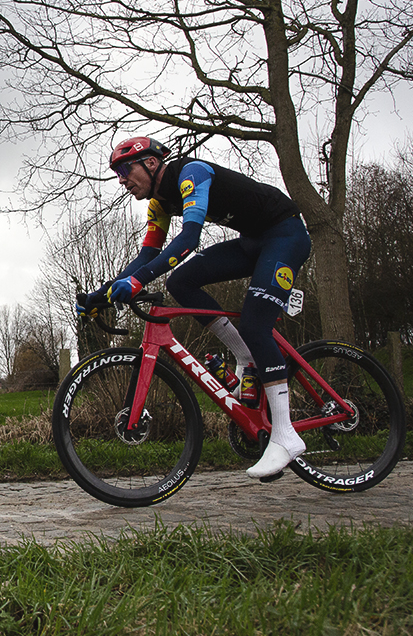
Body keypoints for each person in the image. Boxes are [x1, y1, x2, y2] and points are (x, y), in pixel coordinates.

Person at [77, 137, 312, 480]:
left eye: (126, 170)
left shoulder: (192, 173)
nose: (122, 180)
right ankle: (246, 356)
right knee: (180, 283)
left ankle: (286, 436)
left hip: (286, 234)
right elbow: (147, 257)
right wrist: (101, 294)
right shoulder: (158, 204)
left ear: (152, 164)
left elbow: (189, 239)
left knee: (255, 324)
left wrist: (138, 282)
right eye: (117, 173)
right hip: (253, 241)